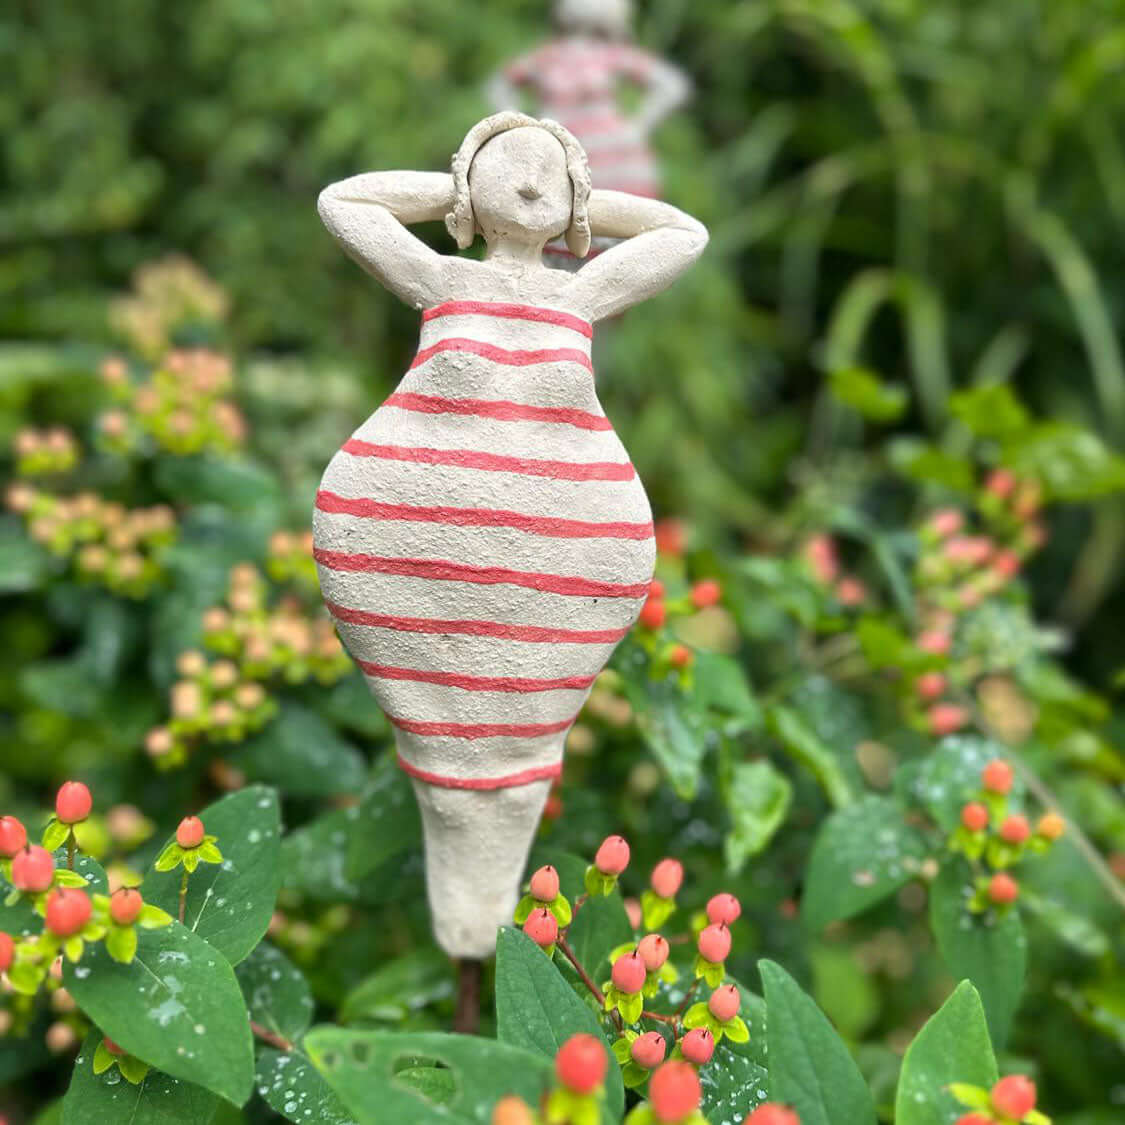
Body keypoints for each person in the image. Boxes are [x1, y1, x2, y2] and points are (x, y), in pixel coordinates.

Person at [314, 111, 706, 958]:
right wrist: (457, 192)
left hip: (562, 560)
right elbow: (344, 203)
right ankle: (467, 927)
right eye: (507, 166)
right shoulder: (443, 279)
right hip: (412, 554)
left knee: (522, 757)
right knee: (444, 763)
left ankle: (485, 928)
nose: (528, 181)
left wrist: (581, 211)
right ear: (469, 185)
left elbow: (683, 234)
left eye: (548, 172)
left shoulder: (578, 293)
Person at [488, 0, 690, 265]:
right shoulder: (549, 56)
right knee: (553, 234)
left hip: (613, 160)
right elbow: (501, 85)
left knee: (611, 243)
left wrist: (639, 125)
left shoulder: (612, 54)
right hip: (558, 155)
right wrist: (518, 124)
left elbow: (670, 85)